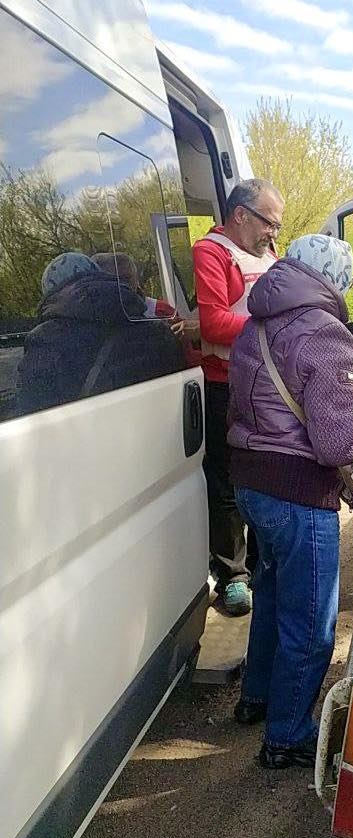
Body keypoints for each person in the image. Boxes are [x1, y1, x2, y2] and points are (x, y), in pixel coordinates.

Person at [226, 233, 353, 769]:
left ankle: (259, 697)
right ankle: (287, 733)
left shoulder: (257, 322)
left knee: (271, 594)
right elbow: (339, 441)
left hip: (251, 486)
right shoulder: (324, 333)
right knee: (313, 622)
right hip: (297, 494)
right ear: (334, 282)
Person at [193, 179, 284, 616]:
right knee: (227, 481)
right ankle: (233, 575)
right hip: (225, 383)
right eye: (270, 222)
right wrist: (275, 332)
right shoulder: (211, 252)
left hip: (264, 383)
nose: (274, 234)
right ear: (241, 214)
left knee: (262, 474)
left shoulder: (269, 254)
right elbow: (212, 322)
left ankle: (258, 562)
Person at [17, 252, 184, 415]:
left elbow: (32, 415)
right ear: (98, 275)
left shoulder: (44, 343)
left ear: (51, 292)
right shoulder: (153, 329)